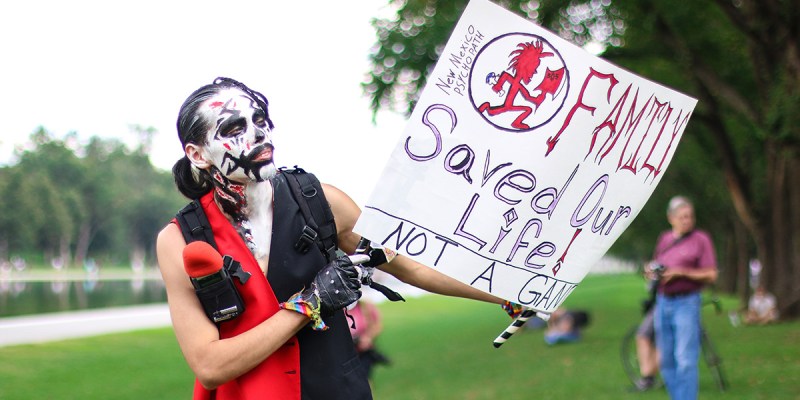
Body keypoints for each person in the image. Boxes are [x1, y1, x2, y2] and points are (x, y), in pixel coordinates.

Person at [156, 77, 505, 400]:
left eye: (260, 120)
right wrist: (310, 303)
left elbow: (414, 268)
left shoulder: (320, 203)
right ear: (197, 154)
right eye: (235, 128)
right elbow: (210, 366)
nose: (258, 134)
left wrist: (509, 292)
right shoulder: (178, 241)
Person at [649, 196, 718, 400]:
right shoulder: (664, 239)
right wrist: (653, 271)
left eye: (690, 216)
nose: (687, 220)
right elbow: (657, 264)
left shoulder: (701, 239)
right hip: (663, 301)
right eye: (682, 217)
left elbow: (711, 274)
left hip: (687, 302)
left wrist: (680, 272)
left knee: (685, 359)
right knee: (667, 360)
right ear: (671, 218)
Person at [348, 300, 389, 381]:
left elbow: (377, 325)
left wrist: (368, 338)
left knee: (364, 379)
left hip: (363, 351)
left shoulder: (365, 306)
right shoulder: (337, 308)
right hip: (345, 352)